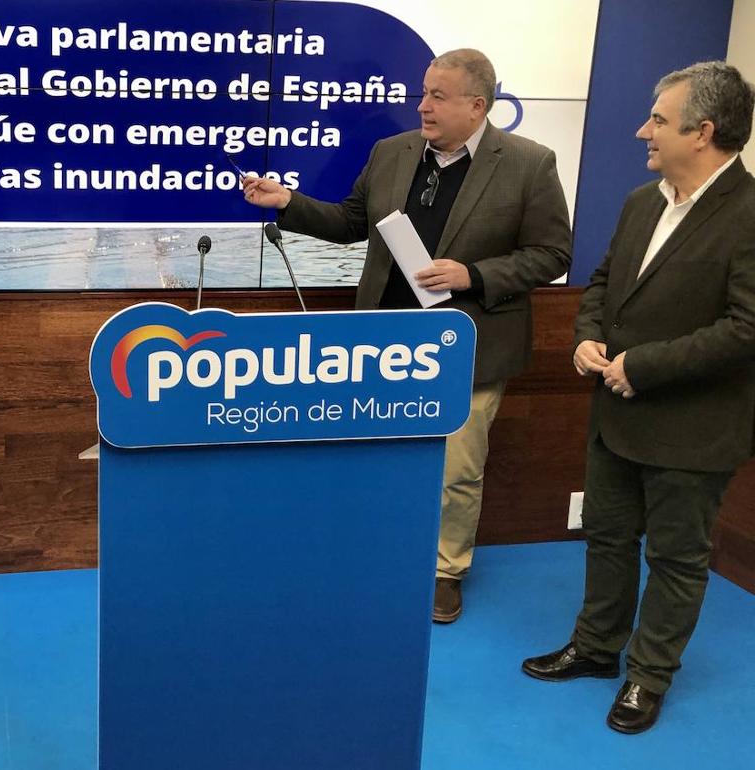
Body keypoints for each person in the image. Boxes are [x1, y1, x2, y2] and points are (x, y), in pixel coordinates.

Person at [242, 48, 573, 623]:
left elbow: (552, 253)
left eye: (437, 96)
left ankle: (445, 571)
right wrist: (289, 202)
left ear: (478, 105)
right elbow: (351, 222)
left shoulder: (528, 162)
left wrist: (475, 274)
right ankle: (377, 556)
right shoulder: (391, 153)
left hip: (468, 346)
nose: (422, 105)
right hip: (383, 344)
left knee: (456, 470)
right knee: (377, 460)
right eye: (423, 92)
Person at [522, 62, 755, 734]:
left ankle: (648, 676)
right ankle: (595, 649)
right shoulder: (639, 202)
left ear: (702, 132)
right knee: (607, 537)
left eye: (657, 118)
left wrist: (640, 367)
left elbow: (746, 328)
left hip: (695, 428)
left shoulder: (749, 214)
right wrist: (586, 339)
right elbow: (599, 286)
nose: (641, 130)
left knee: (677, 559)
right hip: (616, 418)